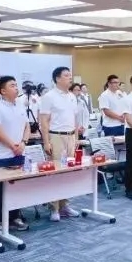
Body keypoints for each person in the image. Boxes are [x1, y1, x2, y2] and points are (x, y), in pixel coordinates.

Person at [0, 76, 31, 232]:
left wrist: (23, 143)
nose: (16, 88)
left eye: (16, 85)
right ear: (3, 91)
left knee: (16, 188)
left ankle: (14, 217)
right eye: (12, 85)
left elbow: (27, 127)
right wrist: (13, 145)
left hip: (18, 153)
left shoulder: (20, 105)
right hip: (2, 155)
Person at [39, 66, 85, 220]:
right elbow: (44, 121)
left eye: (70, 75)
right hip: (56, 137)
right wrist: (46, 142)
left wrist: (76, 138)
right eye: (66, 75)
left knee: (68, 173)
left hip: (71, 136)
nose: (70, 77)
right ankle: (54, 208)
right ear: (57, 78)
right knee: (56, 173)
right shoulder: (49, 96)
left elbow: (75, 118)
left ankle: (65, 205)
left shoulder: (72, 96)